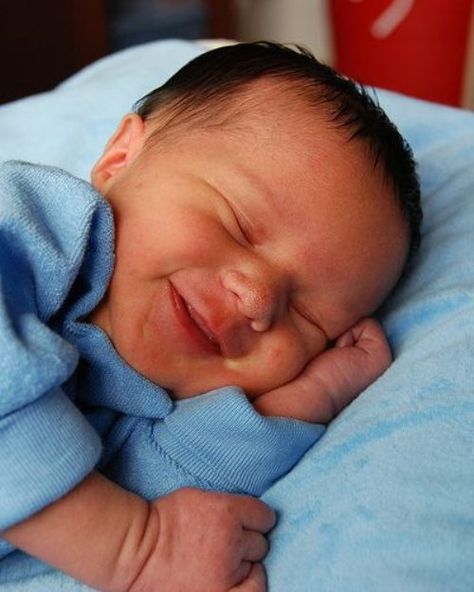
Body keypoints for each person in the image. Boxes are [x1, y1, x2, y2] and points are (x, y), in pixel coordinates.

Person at [0, 42, 421, 592]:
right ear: (122, 158)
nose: (255, 300)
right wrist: (135, 548)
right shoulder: (33, 223)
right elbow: (119, 526)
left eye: (305, 317)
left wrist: (304, 401)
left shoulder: (139, 418)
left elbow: (172, 490)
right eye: (238, 225)